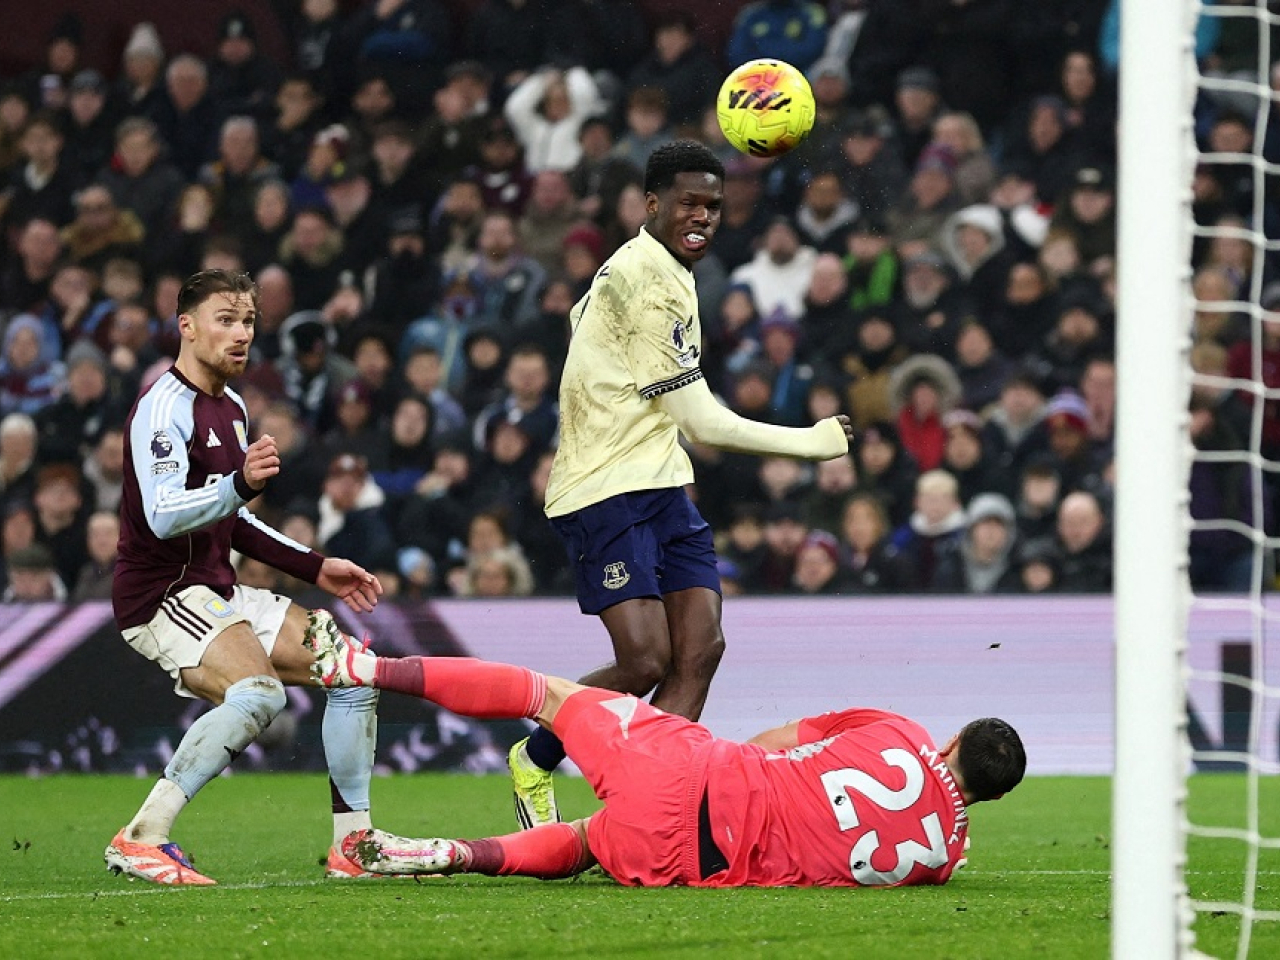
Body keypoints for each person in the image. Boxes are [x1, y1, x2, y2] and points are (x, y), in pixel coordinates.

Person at [515, 140, 855, 829]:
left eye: (713, 206)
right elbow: (703, 421)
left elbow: (584, 323)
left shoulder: (659, 270)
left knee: (701, 650)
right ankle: (535, 756)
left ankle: (648, 806)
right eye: (688, 203)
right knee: (644, 659)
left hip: (662, 485)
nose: (702, 216)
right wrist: (811, 442)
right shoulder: (644, 281)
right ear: (651, 204)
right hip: (602, 490)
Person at [304, 634, 1026, 887]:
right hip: (695, 865)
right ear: (988, 802)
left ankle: (370, 668)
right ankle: (457, 854)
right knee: (589, 843)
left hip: (697, 773)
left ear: (951, 741)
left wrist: (715, 764)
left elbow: (781, 738)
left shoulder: (898, 730)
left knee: (546, 694)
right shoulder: (941, 857)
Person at [103, 269, 389, 887]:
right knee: (260, 694)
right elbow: (161, 513)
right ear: (187, 326)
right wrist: (239, 484)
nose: (241, 335)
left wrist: (316, 566)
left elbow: (230, 519)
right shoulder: (163, 408)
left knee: (351, 669)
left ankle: (353, 845)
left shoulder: (230, 406)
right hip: (163, 593)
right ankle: (142, 837)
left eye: (249, 322)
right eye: (225, 320)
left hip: (217, 586)